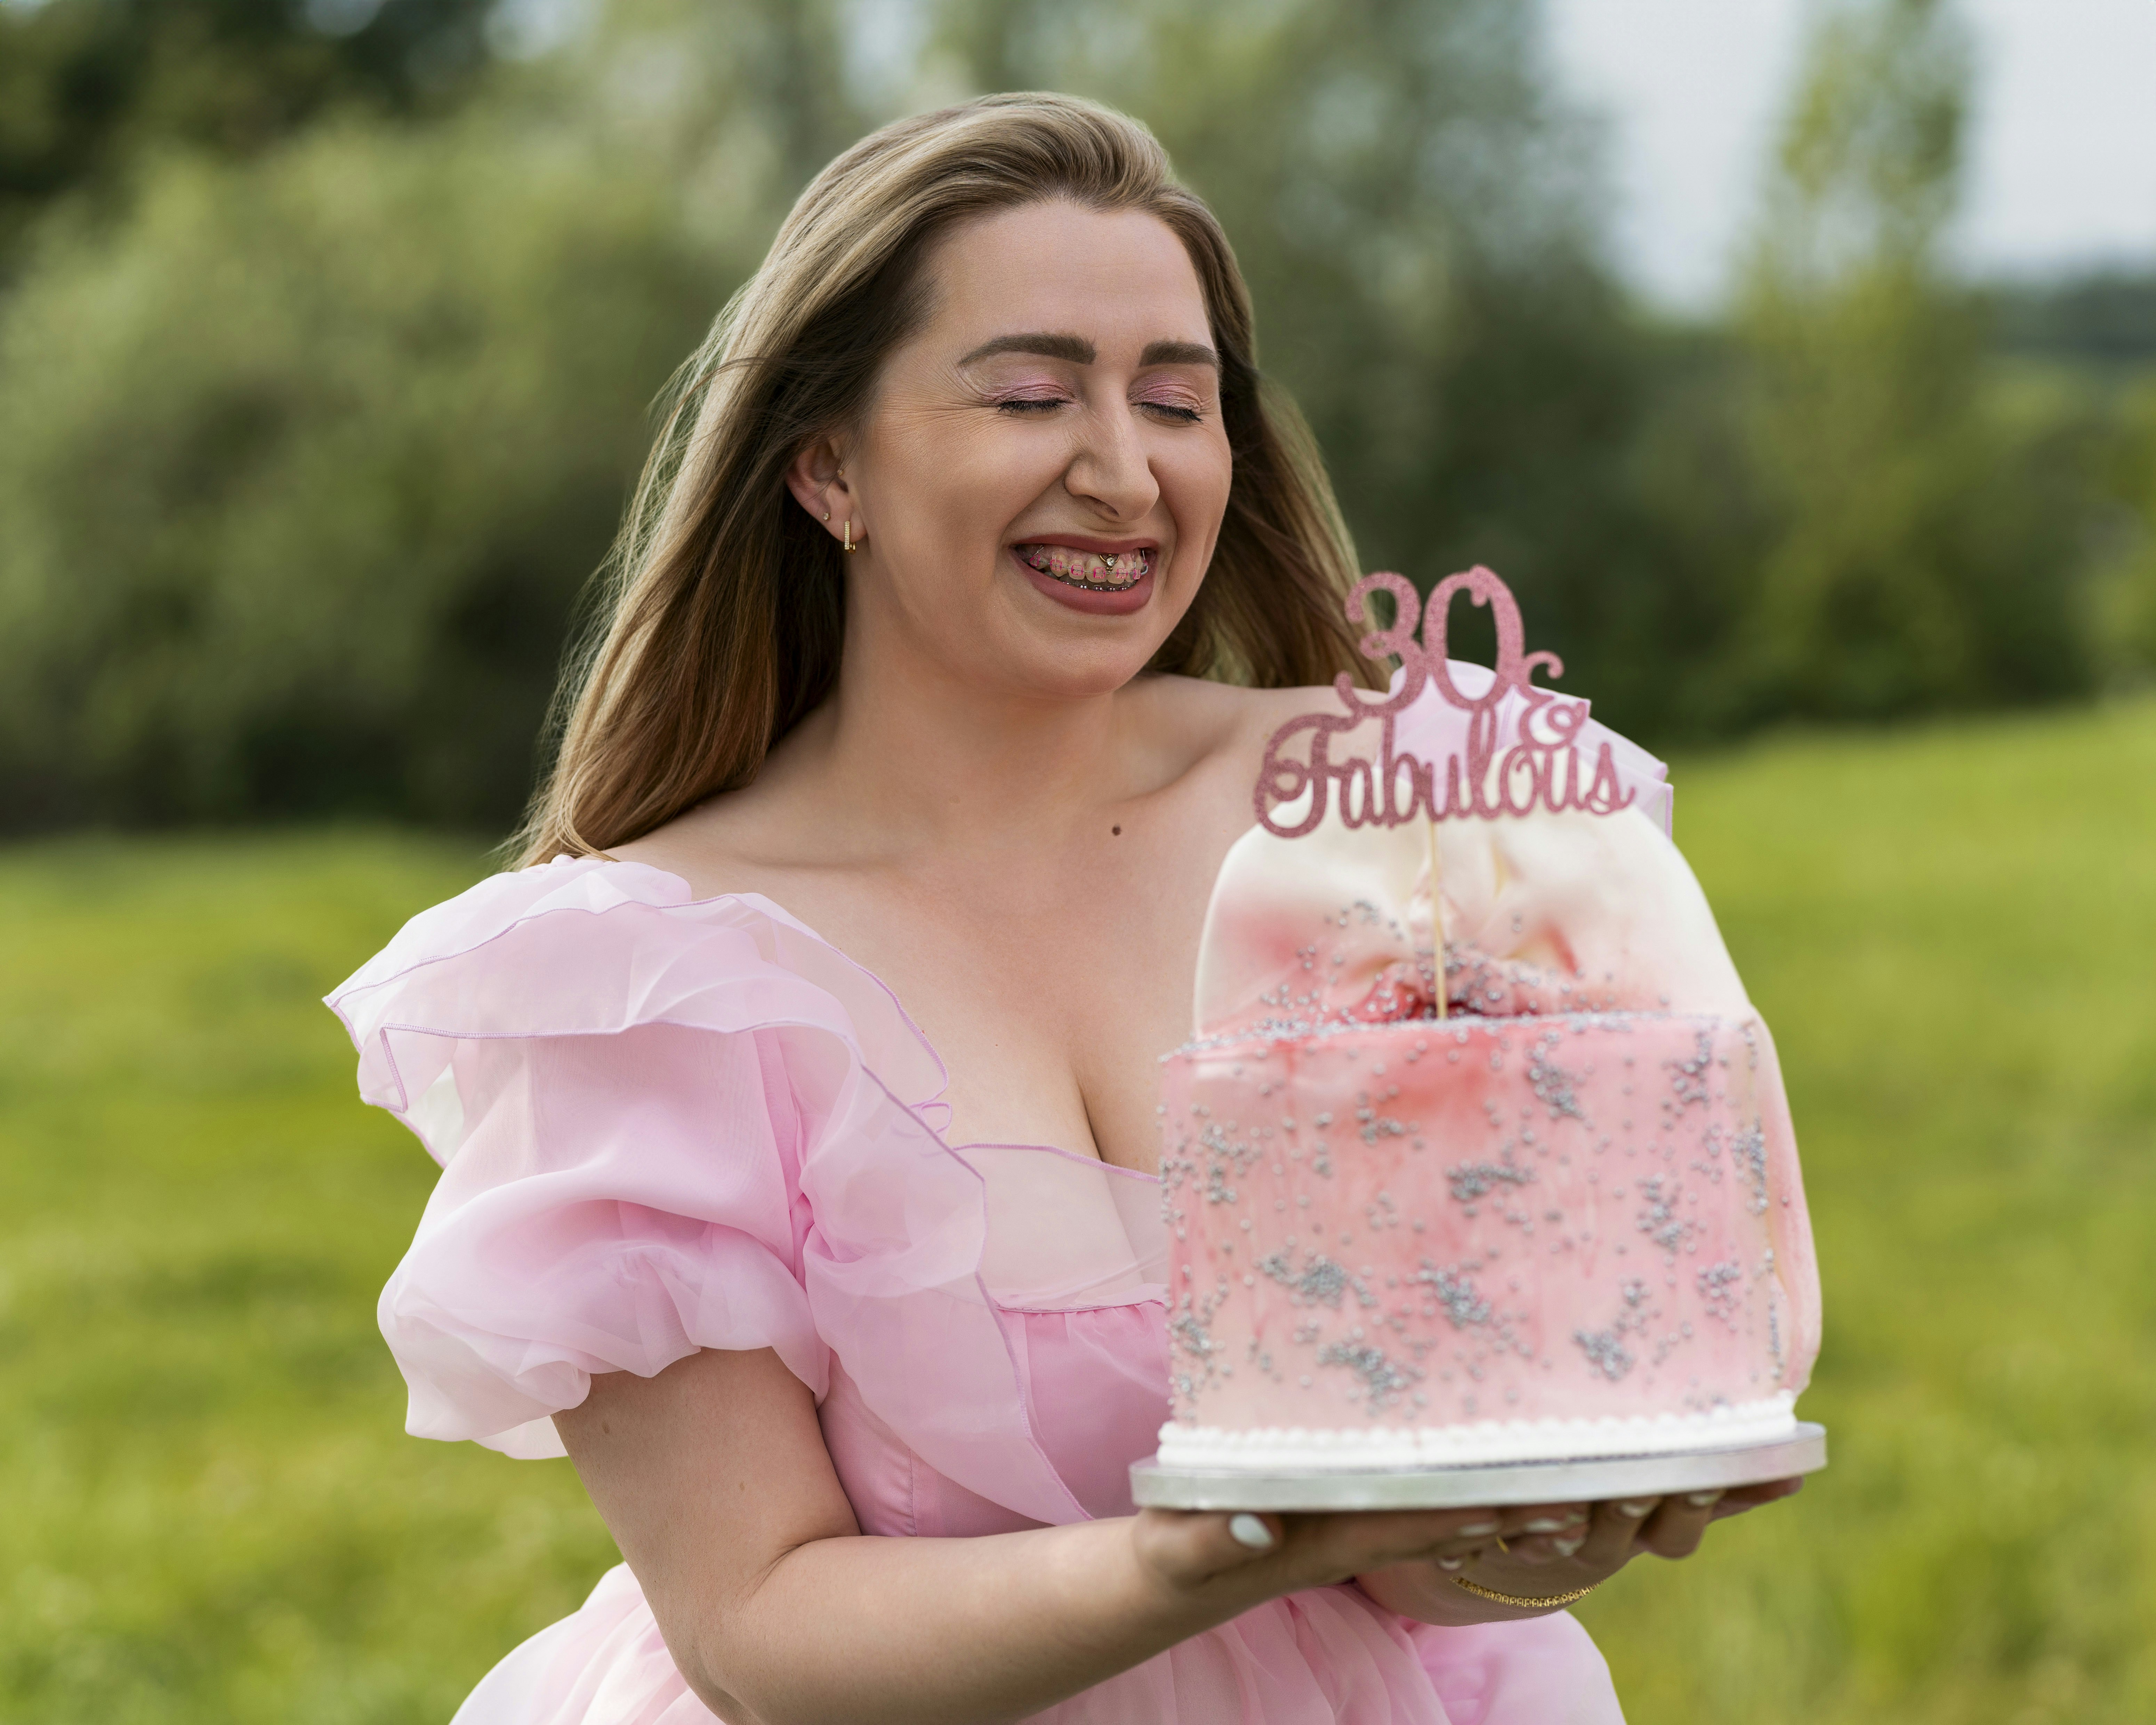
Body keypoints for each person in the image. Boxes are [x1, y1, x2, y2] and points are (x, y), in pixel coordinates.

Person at [329, 92, 1798, 1725]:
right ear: (828, 467)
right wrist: (1205, 1554)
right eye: (1032, 394)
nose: (1122, 470)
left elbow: (1420, 1539)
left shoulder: (1402, 817)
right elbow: (757, 1624)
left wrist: (1546, 1523)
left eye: (1176, 401)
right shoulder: (658, 972)